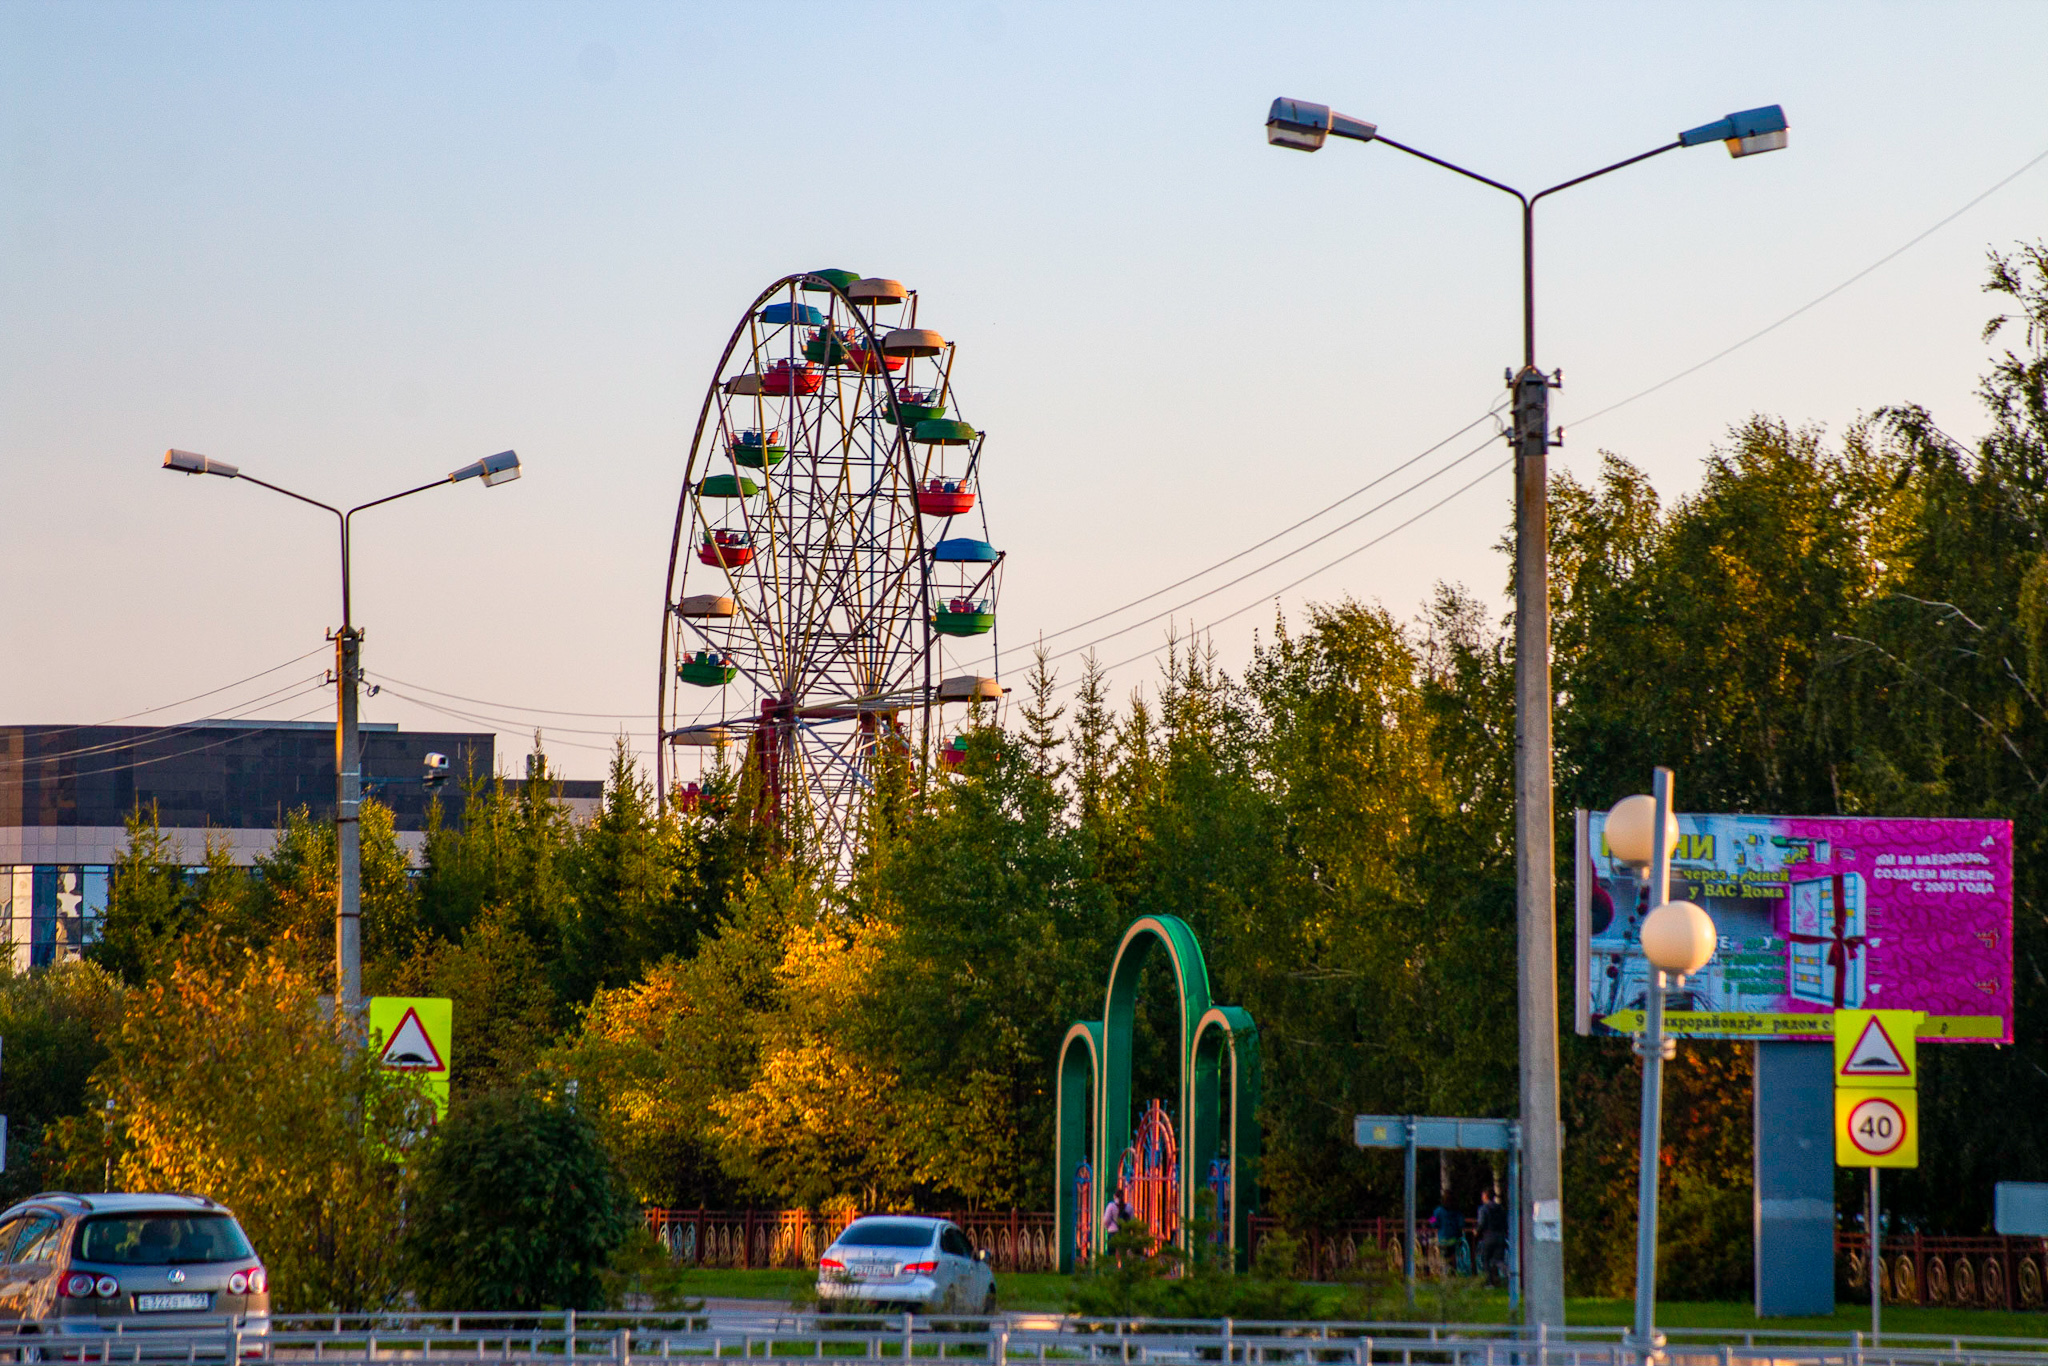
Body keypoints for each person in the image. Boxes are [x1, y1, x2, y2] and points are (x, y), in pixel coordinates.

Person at [1476, 1189, 1509, 1287]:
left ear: (1485, 1196)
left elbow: (1434, 1220)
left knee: (1485, 1259)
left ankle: (1490, 1282)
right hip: (1500, 1235)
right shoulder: (1500, 1208)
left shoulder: (1483, 1209)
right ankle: (1509, 1275)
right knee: (1498, 1260)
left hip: (1488, 1236)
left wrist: (1431, 1222)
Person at [1430, 1197, 1464, 1275]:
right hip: (1454, 1238)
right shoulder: (1456, 1212)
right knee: (1453, 1255)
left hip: (1443, 1238)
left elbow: (1432, 1222)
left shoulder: (1438, 1210)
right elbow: (1461, 1223)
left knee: (1443, 1256)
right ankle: (1453, 1272)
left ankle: (1445, 1273)